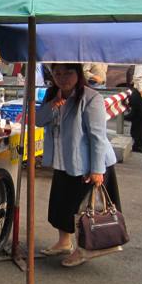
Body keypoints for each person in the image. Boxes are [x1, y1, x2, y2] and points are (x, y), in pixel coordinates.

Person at [37, 63, 123, 268]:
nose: (63, 77)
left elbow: (97, 136)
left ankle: (84, 249)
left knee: (83, 210)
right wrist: (53, 104)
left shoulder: (91, 98)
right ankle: (64, 242)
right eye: (58, 73)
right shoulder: (52, 94)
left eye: (68, 73)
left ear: (78, 74)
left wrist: (96, 170)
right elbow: (38, 121)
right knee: (61, 206)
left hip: (88, 163)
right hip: (63, 161)